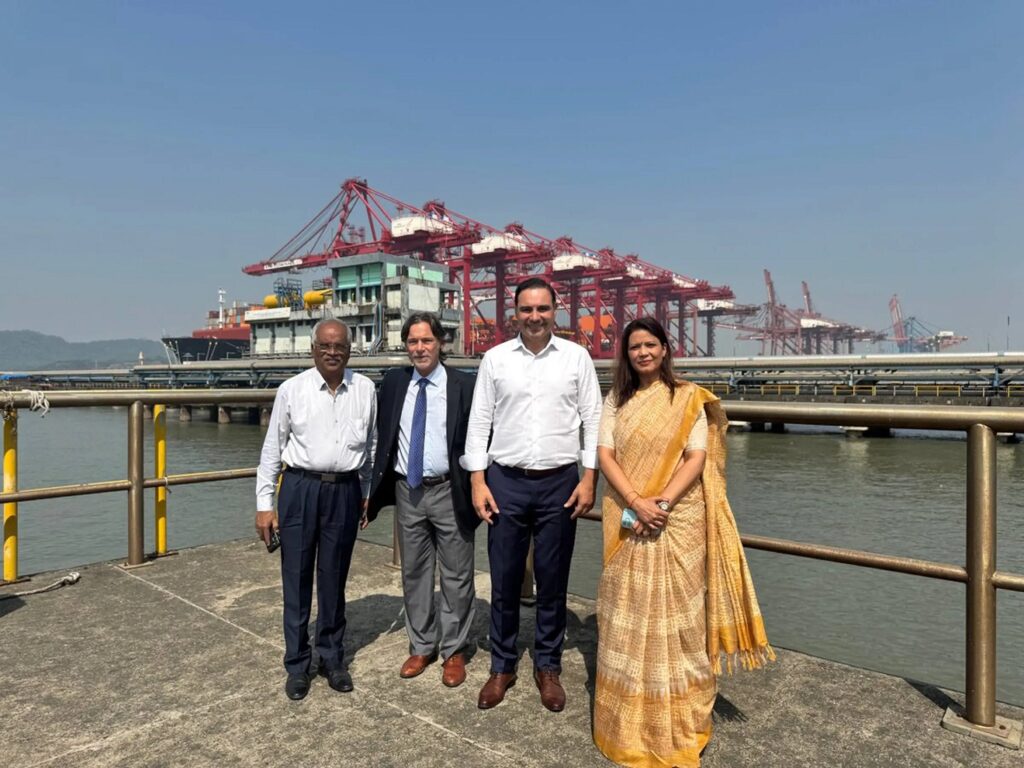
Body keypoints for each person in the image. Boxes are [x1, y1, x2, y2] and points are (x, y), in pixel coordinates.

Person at [593, 317, 774, 767]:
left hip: (677, 518)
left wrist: (661, 504)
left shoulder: (688, 397)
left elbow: (696, 457)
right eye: (634, 347)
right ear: (626, 354)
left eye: (650, 345)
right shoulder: (616, 399)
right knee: (625, 611)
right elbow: (605, 455)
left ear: (664, 349)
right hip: (628, 513)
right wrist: (637, 501)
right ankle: (626, 726)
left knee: (680, 617)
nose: (642, 353)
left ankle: (679, 718)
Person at [461, 277, 602, 712]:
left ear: (555, 311)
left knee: (553, 578)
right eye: (526, 309)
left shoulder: (576, 358)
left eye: (542, 309)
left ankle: (548, 665)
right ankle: (502, 665)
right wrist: (478, 480)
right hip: (505, 479)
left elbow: (593, 418)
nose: (535, 317)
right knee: (503, 577)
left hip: (560, 481)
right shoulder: (496, 359)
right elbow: (479, 421)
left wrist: (590, 477)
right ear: (515, 313)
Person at [255, 319, 377, 700]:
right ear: (313, 350)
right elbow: (272, 449)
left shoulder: (366, 389)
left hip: (345, 489)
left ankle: (332, 657)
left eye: (339, 346)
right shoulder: (292, 390)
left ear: (350, 351)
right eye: (325, 345)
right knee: (296, 576)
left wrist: (367, 492)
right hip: (300, 487)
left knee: (334, 578)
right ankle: (297, 664)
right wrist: (264, 504)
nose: (332, 352)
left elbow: (371, 446)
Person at [367, 312, 478, 688]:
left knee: (457, 573)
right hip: (408, 490)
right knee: (414, 571)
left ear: (441, 343)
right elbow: (380, 436)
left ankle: (454, 649)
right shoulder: (394, 382)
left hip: (450, 489)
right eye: (412, 341)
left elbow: (480, 438)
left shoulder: (464, 385)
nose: (419, 348)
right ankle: (422, 645)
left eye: (426, 340)